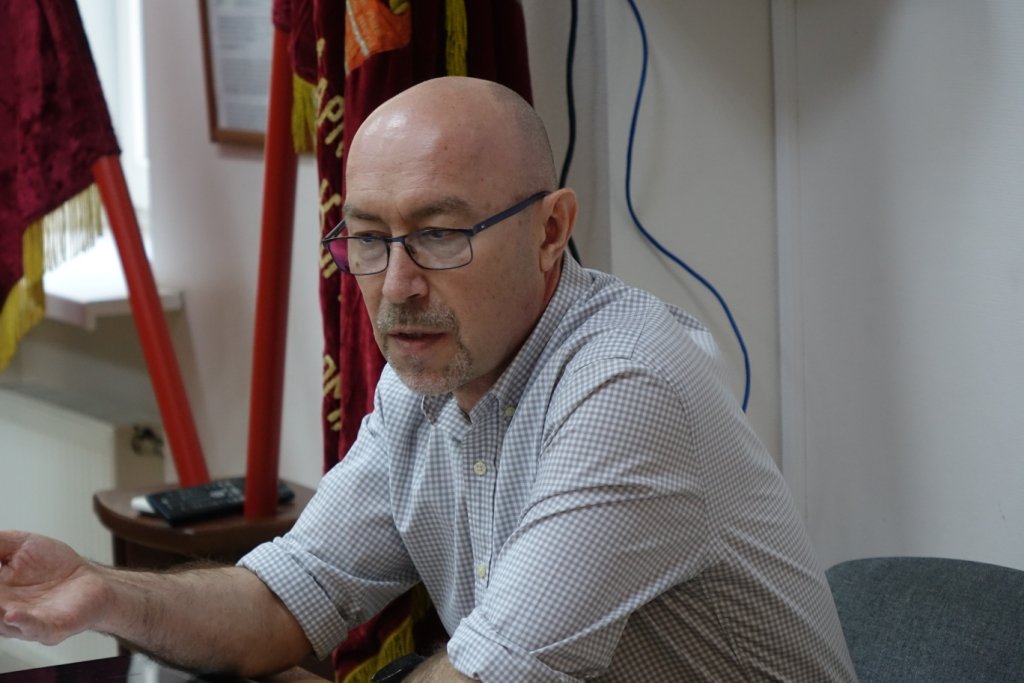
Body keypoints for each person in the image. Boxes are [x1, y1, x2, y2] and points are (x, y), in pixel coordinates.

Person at [0, 76, 856, 682]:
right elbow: (285, 598)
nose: (398, 286)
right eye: (369, 239)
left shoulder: (627, 388)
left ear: (551, 230)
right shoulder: (427, 377)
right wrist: (101, 592)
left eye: (441, 234)